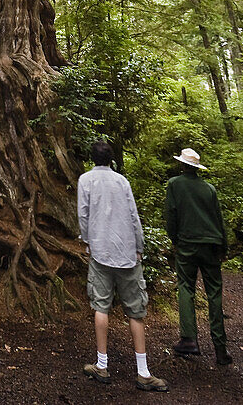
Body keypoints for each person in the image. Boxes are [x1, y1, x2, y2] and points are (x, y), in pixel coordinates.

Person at [78, 139, 168, 392]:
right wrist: (139, 247)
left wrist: (87, 241)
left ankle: (102, 365)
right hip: (127, 253)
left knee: (101, 307)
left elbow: (83, 214)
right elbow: (133, 216)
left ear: (91, 158)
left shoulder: (85, 180)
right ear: (111, 159)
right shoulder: (122, 181)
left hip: (100, 253)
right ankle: (143, 372)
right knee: (135, 312)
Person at [165, 147, 232, 366]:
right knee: (214, 293)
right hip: (212, 244)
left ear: (182, 165)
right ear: (197, 167)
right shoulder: (209, 189)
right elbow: (218, 219)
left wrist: (174, 240)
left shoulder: (174, 184)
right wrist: (224, 247)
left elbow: (171, 214)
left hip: (188, 244)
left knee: (186, 287)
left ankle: (189, 339)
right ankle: (220, 348)